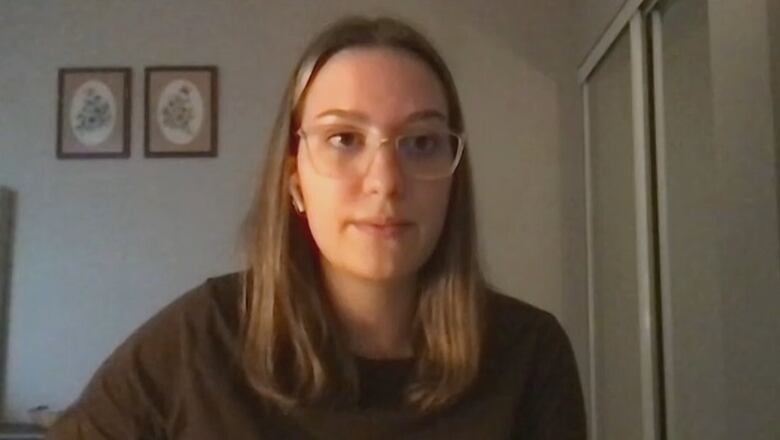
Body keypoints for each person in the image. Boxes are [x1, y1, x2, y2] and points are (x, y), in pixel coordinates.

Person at [48, 16, 586, 439]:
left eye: (421, 142)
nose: (386, 181)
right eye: (344, 139)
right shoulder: (197, 342)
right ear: (295, 182)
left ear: (454, 177)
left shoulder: (529, 355)